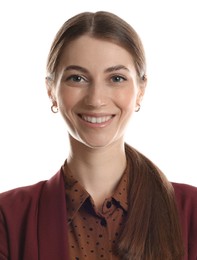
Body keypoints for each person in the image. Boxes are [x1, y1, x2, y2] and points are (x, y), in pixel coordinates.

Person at [0, 11, 196, 260]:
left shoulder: (192, 212)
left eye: (116, 78)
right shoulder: (8, 217)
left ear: (140, 91)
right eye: (77, 78)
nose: (96, 100)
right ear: (51, 90)